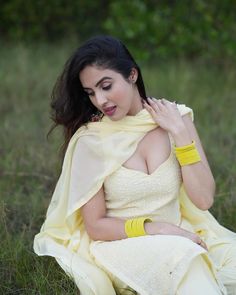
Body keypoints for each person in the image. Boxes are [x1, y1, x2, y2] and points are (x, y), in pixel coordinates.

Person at [34, 35, 236, 295]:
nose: (100, 100)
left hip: (183, 233)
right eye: (91, 93)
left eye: (106, 86)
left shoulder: (177, 119)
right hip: (125, 244)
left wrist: (180, 133)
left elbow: (204, 199)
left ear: (132, 75)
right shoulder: (91, 141)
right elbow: (95, 226)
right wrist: (157, 229)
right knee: (188, 258)